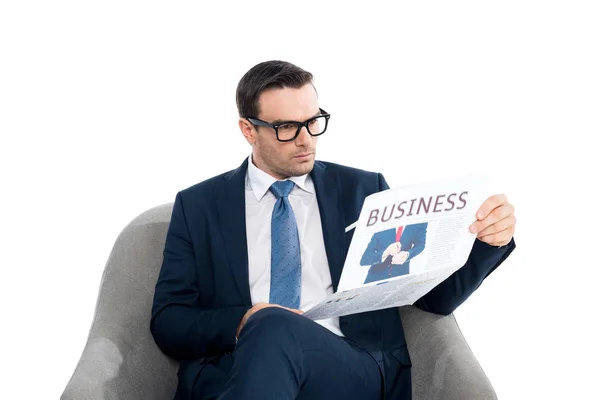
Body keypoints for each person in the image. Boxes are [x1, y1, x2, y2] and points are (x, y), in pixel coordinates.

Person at [150, 60, 517, 400]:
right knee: (269, 325)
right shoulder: (199, 206)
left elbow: (432, 299)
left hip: (348, 367)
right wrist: (243, 320)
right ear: (248, 130)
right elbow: (169, 321)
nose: (306, 139)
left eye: (313, 121)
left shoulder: (363, 191)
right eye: (287, 127)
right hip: (234, 371)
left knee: (274, 326)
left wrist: (488, 242)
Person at [360, 223, 428, 283]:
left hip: (400, 278)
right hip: (375, 279)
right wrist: (386, 252)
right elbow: (364, 260)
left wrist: (407, 254)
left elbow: (420, 245)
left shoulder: (419, 223)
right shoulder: (382, 223)